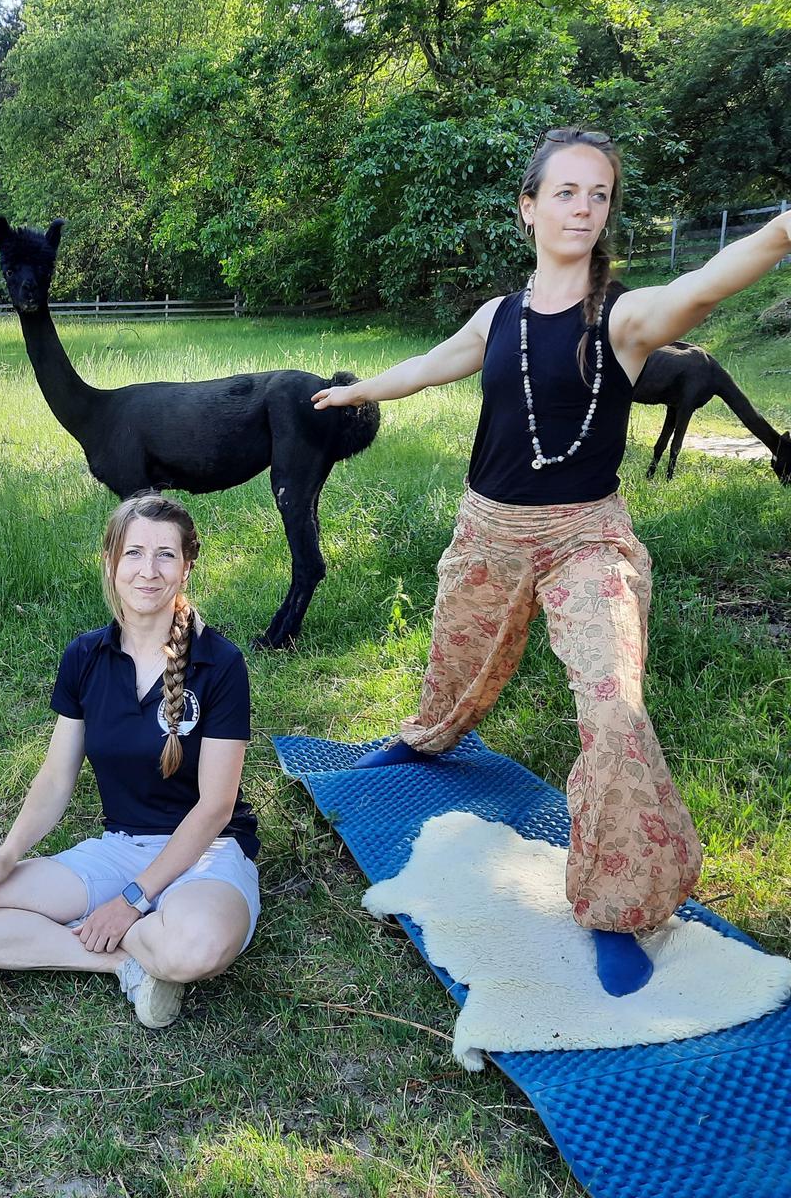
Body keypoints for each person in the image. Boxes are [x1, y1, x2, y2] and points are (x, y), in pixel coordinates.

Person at [312, 127, 791, 997]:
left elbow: (700, 288)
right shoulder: (498, 316)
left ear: (608, 211)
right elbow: (432, 365)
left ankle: (620, 906)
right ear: (528, 207)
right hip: (489, 526)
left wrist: (783, 232)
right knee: (456, 663)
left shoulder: (624, 316)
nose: (582, 207)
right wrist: (359, 390)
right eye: (565, 191)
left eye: (598, 194)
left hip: (588, 537)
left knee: (614, 710)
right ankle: (425, 741)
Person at [0, 493, 259, 1028]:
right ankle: (124, 963)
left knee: (197, 948)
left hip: (207, 855)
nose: (149, 571)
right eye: (134, 553)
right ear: (110, 562)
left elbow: (216, 806)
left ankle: (134, 931)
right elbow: (55, 778)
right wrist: (7, 854)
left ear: (187, 568)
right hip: (120, 850)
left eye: (166, 555)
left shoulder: (221, 663)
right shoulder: (84, 657)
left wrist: (131, 901)